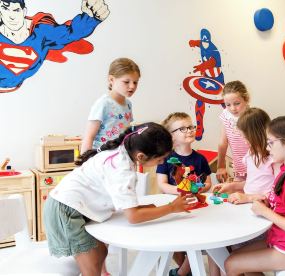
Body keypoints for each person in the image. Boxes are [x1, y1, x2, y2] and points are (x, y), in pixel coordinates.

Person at [43, 123, 194, 275]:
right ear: (140, 156)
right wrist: (172, 208)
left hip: (71, 206)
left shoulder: (121, 151)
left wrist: (145, 208)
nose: (162, 163)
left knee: (100, 252)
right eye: (160, 159)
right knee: (93, 264)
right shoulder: (122, 170)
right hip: (66, 210)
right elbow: (133, 217)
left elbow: (127, 207)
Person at [224, 115, 285, 275]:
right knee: (233, 257)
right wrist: (267, 203)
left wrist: (264, 211)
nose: (267, 148)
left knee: (231, 264)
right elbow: (282, 205)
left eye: (271, 143)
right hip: (280, 239)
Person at [0, 0, 109, 92]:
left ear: (24, 11)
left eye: (16, 10)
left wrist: (91, 17)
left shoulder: (41, 32)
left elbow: (70, 33)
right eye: (5, 9)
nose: (11, 17)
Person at [156, 112, 214, 276]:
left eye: (190, 126)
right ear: (171, 136)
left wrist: (201, 188)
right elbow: (162, 184)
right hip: (174, 207)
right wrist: (182, 189)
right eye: (182, 128)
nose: (189, 130)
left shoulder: (200, 159)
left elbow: (208, 183)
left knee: (199, 238)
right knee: (171, 241)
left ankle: (182, 273)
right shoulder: (166, 158)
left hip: (196, 207)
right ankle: (186, 270)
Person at [213, 107, 280, 204]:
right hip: (250, 204)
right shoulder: (250, 154)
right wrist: (232, 186)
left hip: (265, 207)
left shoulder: (273, 158)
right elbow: (253, 183)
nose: (244, 141)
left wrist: (248, 198)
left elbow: (277, 192)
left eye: (245, 137)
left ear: (256, 135)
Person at [81, 57, 140, 153]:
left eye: (135, 82)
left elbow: (127, 132)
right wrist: (84, 164)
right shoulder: (103, 104)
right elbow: (89, 137)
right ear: (111, 79)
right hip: (102, 157)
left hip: (121, 155)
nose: (132, 86)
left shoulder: (128, 104)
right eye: (126, 82)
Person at [216, 80, 250, 184]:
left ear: (246, 99)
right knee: (235, 196)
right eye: (228, 105)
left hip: (255, 167)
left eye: (237, 103)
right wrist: (220, 166)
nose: (233, 108)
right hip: (239, 169)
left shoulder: (253, 117)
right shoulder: (226, 117)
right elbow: (223, 143)